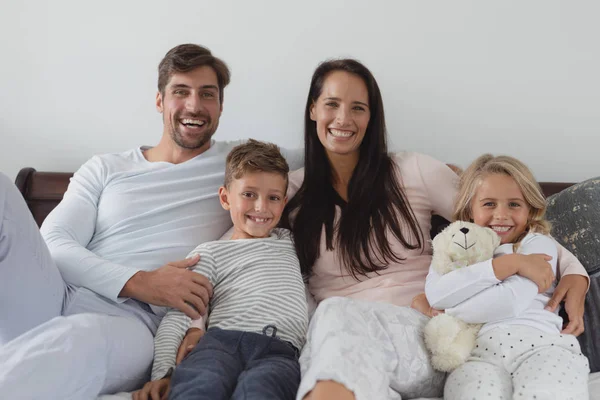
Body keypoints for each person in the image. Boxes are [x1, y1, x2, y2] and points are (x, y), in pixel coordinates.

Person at [274, 58, 589, 400]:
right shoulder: (287, 194)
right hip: (341, 342)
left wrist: (575, 272)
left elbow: (498, 222)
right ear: (312, 110)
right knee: (332, 321)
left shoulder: (412, 170)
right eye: (332, 104)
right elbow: (242, 246)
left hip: (427, 335)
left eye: (358, 108)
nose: (343, 119)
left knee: (334, 314)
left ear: (372, 117)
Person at [0, 44, 301, 398]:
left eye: (207, 94)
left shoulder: (240, 168)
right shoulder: (106, 167)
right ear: (160, 100)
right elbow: (55, 243)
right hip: (56, 293)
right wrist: (139, 281)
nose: (194, 105)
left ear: (220, 105)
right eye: (180, 91)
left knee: (79, 339)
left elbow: (331, 152)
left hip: (133, 324)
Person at [133, 139, 308, 400]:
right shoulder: (210, 253)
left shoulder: (292, 243)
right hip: (220, 343)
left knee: (263, 390)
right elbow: (179, 315)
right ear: (226, 198)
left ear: (283, 204)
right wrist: (163, 375)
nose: (261, 207)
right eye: (249, 194)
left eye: (272, 198)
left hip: (280, 350)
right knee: (202, 385)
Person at [425, 154, 590, 399]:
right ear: (470, 209)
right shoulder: (453, 247)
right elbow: (437, 294)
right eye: (489, 204)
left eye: (514, 204)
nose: (501, 215)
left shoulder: (537, 245)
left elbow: (510, 301)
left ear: (530, 209)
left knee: (550, 391)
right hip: (477, 355)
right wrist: (508, 266)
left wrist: (451, 310)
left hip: (541, 345)